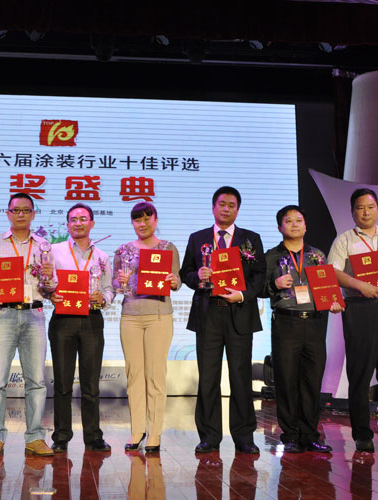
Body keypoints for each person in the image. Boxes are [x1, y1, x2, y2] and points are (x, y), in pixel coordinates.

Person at [262, 205, 374, 453]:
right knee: (287, 381)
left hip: (314, 322)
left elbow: (327, 288)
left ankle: (310, 435)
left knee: (312, 381)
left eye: (299, 220)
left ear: (305, 226)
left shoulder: (317, 255)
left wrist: (333, 302)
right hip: (286, 321)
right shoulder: (270, 256)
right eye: (288, 221)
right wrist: (274, 283)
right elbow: (258, 289)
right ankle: (290, 435)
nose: (294, 224)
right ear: (280, 227)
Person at [180, 186, 266, 454]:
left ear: (237, 209)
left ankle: (244, 437)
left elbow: (260, 276)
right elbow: (185, 272)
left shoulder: (250, 239)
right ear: (213, 207)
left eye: (231, 205)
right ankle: (209, 436)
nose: (226, 208)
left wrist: (242, 295)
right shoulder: (198, 238)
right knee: (208, 377)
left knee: (240, 376)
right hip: (208, 313)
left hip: (239, 311)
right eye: (221, 204)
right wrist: (198, 276)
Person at [326, 187, 378, 452]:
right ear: (352, 211)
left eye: (370, 207)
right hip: (360, 308)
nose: (366, 212)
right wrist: (359, 285)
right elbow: (331, 272)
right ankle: (362, 434)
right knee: (360, 373)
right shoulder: (344, 240)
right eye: (360, 208)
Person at [0, 192, 54, 458]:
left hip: (34, 314)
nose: (20, 214)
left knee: (37, 381)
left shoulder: (44, 245)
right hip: (3, 314)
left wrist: (50, 279)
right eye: (15, 210)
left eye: (26, 210)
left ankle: (35, 437)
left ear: (33, 214)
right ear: (8, 213)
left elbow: (50, 287)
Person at [45, 203, 114, 453]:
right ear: (67, 224)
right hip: (63, 319)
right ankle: (61, 436)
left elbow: (109, 288)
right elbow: (45, 283)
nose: (78, 223)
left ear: (92, 223)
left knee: (90, 383)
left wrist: (103, 299)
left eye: (83, 219)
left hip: (92, 320)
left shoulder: (102, 256)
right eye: (73, 219)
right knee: (62, 382)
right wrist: (49, 293)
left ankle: (93, 436)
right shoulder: (53, 251)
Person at [114, 201, 181, 454]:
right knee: (134, 375)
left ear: (155, 220)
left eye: (146, 219)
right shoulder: (123, 250)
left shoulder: (167, 248)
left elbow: (176, 280)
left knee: (155, 375)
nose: (141, 224)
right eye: (137, 220)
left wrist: (173, 281)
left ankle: (154, 432)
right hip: (130, 316)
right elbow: (116, 286)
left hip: (159, 316)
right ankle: (137, 430)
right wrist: (119, 282)